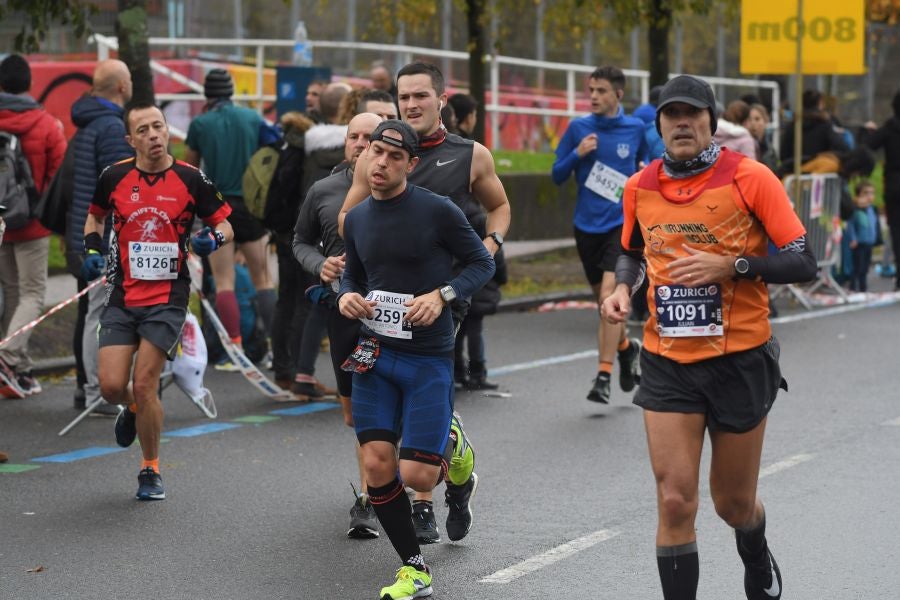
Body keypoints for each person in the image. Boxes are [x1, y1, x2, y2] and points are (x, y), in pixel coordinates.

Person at [602, 75, 817, 600]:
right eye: (671, 115)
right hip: (668, 357)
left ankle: (755, 548)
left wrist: (735, 264)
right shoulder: (639, 186)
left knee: (732, 504)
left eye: (692, 114)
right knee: (675, 500)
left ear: (710, 121)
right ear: (657, 125)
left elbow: (803, 259)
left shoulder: (751, 176)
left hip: (740, 357)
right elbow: (629, 250)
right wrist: (623, 289)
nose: (681, 123)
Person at [338, 61, 511, 545]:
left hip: (444, 297)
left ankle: (423, 497)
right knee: (386, 426)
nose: (411, 104)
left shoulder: (469, 154)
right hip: (384, 298)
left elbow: (499, 209)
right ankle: (414, 483)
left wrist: (484, 252)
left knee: (420, 409)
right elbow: (349, 221)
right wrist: (350, 275)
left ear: (441, 99)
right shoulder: (376, 157)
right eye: (403, 97)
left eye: (420, 96)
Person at [82, 103, 233, 500]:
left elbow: (225, 223)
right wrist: (92, 249)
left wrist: (212, 239)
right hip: (122, 293)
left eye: (158, 127)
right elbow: (94, 217)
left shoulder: (190, 178)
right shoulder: (113, 176)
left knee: (145, 383)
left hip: (168, 297)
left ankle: (150, 469)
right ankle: (131, 410)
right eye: (143, 130)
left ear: (168, 131)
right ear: (130, 139)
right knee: (113, 387)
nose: (153, 135)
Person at [293, 111, 384, 539]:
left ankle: (369, 499)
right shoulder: (324, 190)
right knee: (354, 415)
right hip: (343, 311)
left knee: (381, 408)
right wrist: (320, 264)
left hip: (392, 316)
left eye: (371, 137)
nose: (361, 144)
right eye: (354, 137)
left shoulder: (403, 192)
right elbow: (299, 241)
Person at [551, 65, 646, 404]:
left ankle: (603, 376)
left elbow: (648, 165)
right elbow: (556, 174)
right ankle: (626, 348)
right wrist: (577, 155)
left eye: (601, 91)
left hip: (621, 225)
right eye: (591, 90)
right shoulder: (579, 129)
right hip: (586, 226)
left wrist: (643, 169)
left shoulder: (635, 128)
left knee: (610, 291)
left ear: (618, 95)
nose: (593, 96)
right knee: (604, 305)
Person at [185, 69, 275, 368]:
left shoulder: (200, 124)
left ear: (207, 95)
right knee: (263, 279)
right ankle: (276, 348)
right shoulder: (252, 118)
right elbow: (269, 154)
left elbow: (190, 170)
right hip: (252, 204)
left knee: (224, 282)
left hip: (219, 209)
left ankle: (233, 350)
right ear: (231, 91)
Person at [67, 58, 134, 415]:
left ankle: (88, 387)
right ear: (122, 87)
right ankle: (98, 391)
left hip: (85, 227)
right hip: (104, 234)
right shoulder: (110, 127)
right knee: (101, 310)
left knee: (92, 310)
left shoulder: (87, 123)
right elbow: (119, 189)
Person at [0, 54, 67, 398]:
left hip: (1, 222)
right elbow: (59, 177)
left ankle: (18, 374)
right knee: (32, 294)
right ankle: (7, 354)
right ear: (29, 84)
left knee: (13, 293)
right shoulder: (45, 124)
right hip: (32, 224)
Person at [454, 247, 507, 390]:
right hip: (481, 290)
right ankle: (477, 375)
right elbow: (501, 270)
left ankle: (457, 373)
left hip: (458, 289)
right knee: (475, 333)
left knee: (457, 332)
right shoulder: (489, 236)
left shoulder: (455, 230)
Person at [863, 89, 900, 290]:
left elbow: (870, 144)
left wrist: (869, 132)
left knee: (896, 230)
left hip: (894, 182)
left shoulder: (889, 127)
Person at [779, 88, 849, 175]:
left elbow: (783, 153)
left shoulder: (792, 126)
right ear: (820, 103)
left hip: (793, 173)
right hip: (819, 174)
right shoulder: (825, 125)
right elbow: (843, 148)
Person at [846, 180, 879, 292]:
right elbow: (850, 225)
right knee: (857, 266)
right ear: (859, 195)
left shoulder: (872, 209)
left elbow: (875, 224)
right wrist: (853, 238)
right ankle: (853, 287)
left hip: (869, 241)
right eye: (866, 193)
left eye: (872, 193)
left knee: (865, 267)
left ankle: (863, 288)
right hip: (859, 243)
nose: (870, 196)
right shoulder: (856, 210)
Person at [744, 103, 779, 173]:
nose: (753, 123)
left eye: (757, 119)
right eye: (749, 119)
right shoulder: (744, 146)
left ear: (766, 121)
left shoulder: (770, 149)